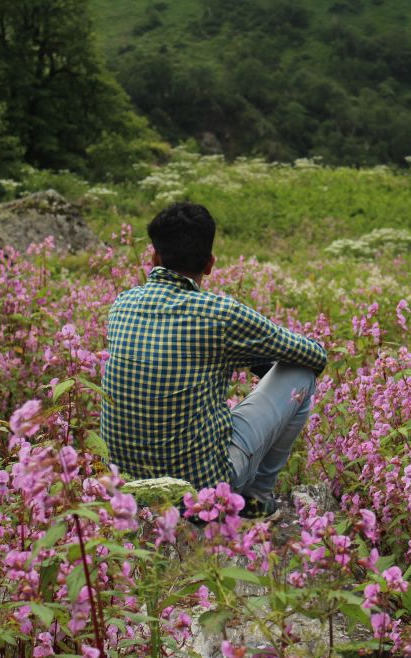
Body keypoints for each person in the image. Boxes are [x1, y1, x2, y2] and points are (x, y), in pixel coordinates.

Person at [101, 202, 327, 518]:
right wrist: (257, 357)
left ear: (154, 258)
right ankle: (257, 499)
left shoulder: (121, 305)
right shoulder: (220, 314)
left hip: (128, 489)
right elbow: (315, 355)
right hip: (201, 492)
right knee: (300, 373)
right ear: (209, 264)